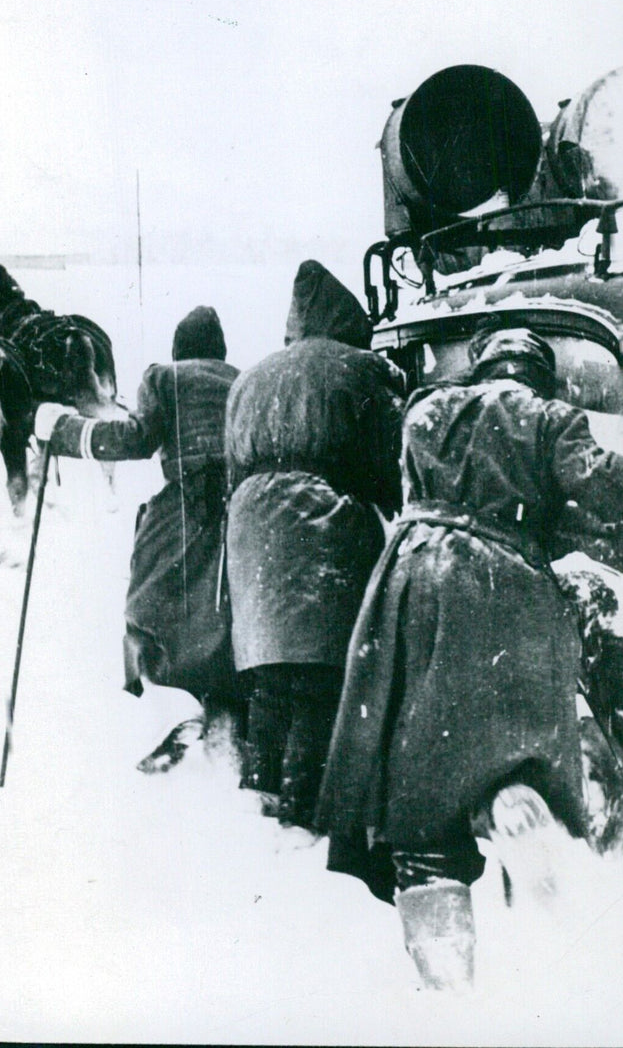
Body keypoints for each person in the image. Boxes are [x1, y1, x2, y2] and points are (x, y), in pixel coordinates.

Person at [315, 325, 623, 992]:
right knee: (507, 736)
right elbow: (609, 488)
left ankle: (448, 986)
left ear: (484, 367)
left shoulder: (426, 411)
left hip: (412, 583)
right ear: (536, 375)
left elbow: (406, 489)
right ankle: (513, 801)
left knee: (419, 788)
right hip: (504, 584)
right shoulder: (551, 418)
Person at [224, 260, 404, 831]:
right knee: (319, 683)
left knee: (272, 682)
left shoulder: (250, 376)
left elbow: (233, 466)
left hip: (249, 526)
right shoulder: (361, 368)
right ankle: (299, 821)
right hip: (320, 519)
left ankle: (255, 806)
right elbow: (388, 462)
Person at [35, 306, 242, 760]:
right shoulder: (240, 379)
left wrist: (64, 430)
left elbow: (136, 439)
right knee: (223, 612)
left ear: (178, 348)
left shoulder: (163, 377)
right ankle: (225, 717)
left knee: (146, 604)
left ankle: (166, 707)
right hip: (239, 508)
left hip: (186, 504)